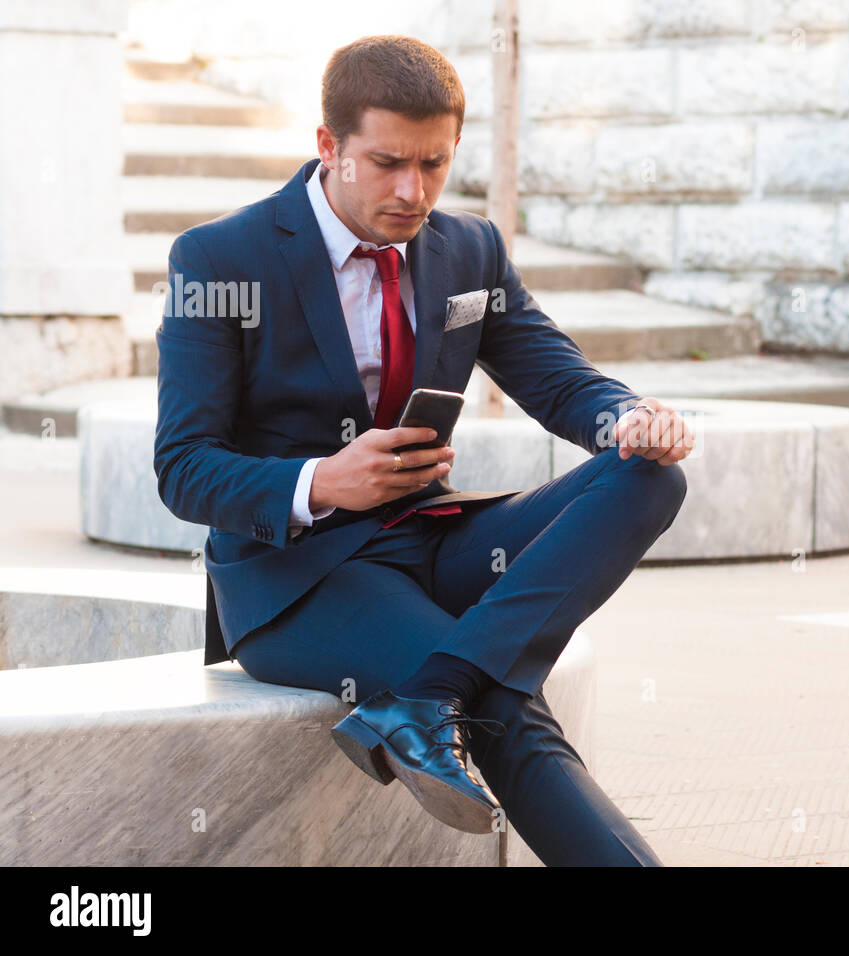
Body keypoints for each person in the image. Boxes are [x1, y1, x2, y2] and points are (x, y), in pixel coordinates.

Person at [153, 34, 695, 866]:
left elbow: (555, 378)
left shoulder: (468, 248)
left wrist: (626, 417)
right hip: (299, 579)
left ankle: (429, 693)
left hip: (433, 537)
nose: (413, 191)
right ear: (329, 146)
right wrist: (322, 480)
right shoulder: (222, 258)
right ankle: (449, 694)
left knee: (650, 477)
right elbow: (182, 465)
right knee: (509, 708)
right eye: (387, 163)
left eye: (435, 165)